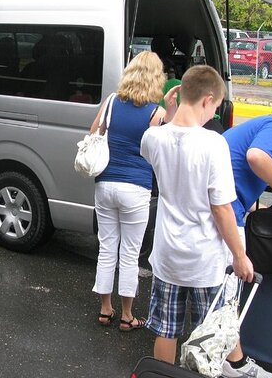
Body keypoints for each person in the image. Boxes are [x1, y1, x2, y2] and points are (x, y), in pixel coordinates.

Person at [140, 65, 272, 378]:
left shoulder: (153, 138)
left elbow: (162, 132)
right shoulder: (214, 144)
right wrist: (240, 255)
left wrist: (169, 111)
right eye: (214, 107)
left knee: (166, 330)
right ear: (207, 99)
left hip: (168, 255)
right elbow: (222, 209)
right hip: (206, 259)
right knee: (210, 335)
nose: (212, 113)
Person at [90, 50, 175, 332]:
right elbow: (167, 146)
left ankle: (105, 309)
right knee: (129, 253)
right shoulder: (156, 112)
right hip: (136, 188)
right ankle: (127, 315)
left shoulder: (111, 102)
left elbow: (94, 134)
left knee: (106, 247)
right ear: (156, 78)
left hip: (105, 182)